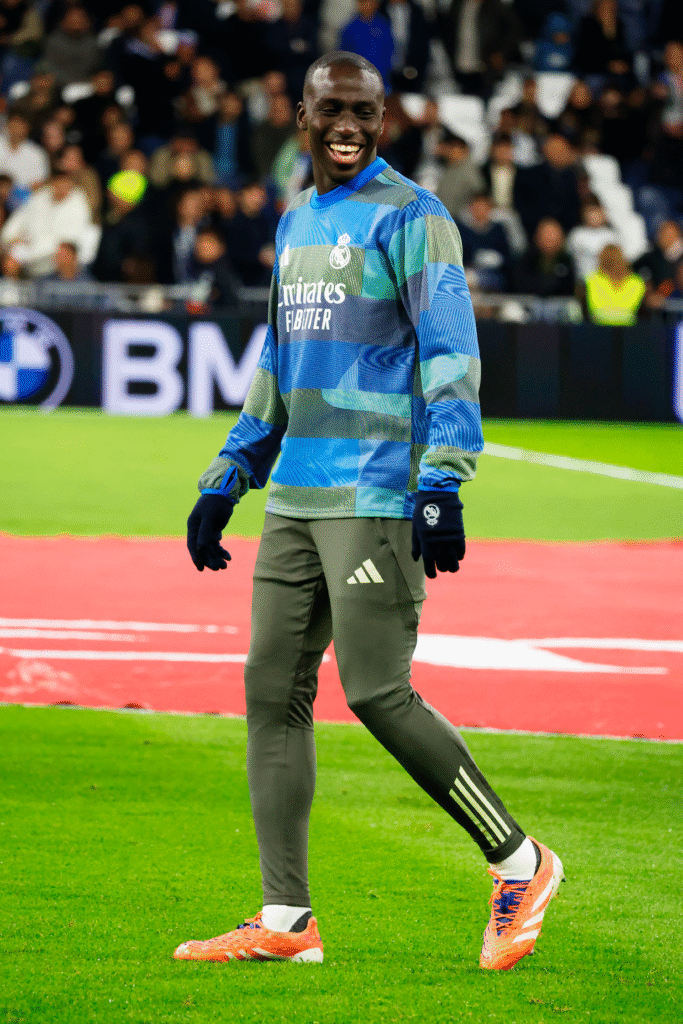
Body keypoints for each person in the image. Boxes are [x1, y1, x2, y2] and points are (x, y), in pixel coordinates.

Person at [176, 51, 564, 971]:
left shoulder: (415, 217)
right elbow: (277, 362)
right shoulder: (294, 221)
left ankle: (520, 860)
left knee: (376, 691)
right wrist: (228, 477)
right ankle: (284, 922)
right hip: (296, 498)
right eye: (330, 110)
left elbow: (449, 350)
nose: (346, 126)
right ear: (299, 116)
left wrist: (442, 480)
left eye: (363, 111)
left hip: (377, 491)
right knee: (272, 693)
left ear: (381, 118)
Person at [584, 243, 646, 324]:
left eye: (615, 259)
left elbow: (629, 308)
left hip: (627, 330)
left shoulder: (636, 282)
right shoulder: (592, 280)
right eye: (609, 259)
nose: (613, 261)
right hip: (599, 328)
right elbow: (597, 309)